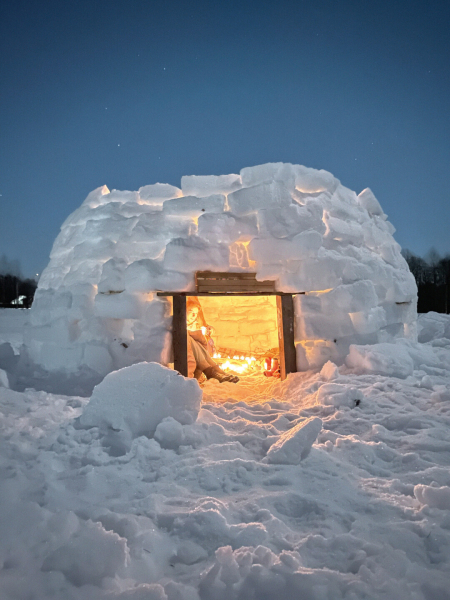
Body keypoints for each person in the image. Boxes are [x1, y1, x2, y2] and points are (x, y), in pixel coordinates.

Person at [186, 298, 239, 384]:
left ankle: (219, 372)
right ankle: (210, 372)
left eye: (195, 314)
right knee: (189, 339)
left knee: (197, 343)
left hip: (195, 351)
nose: (193, 316)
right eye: (190, 311)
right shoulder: (176, 323)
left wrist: (204, 330)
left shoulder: (191, 325)